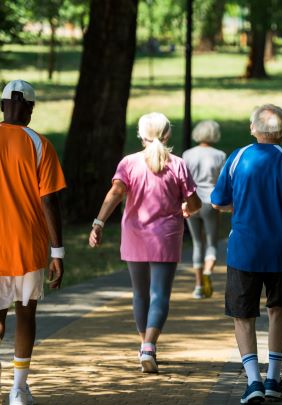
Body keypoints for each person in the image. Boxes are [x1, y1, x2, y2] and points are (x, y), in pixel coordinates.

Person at [0, 80, 66, 405]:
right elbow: (49, 201)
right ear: (30, 109)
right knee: (26, 313)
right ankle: (19, 389)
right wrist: (57, 251)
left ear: (2, 105)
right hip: (29, 246)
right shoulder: (40, 144)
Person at [211, 104, 282, 403]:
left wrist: (239, 206)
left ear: (253, 129)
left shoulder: (237, 158)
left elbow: (218, 201)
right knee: (278, 309)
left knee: (243, 315)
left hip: (244, 249)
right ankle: (274, 377)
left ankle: (253, 382)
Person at [88, 112, 201, 373]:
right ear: (168, 134)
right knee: (160, 293)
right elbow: (194, 203)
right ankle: (149, 346)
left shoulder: (128, 163)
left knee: (140, 293)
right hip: (167, 236)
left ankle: (145, 346)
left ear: (141, 136)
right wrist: (187, 207)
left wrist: (99, 222)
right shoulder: (177, 164)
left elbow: (116, 192)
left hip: (135, 235)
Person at [182, 120, 227, 299]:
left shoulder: (187, 154)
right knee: (211, 241)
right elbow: (223, 182)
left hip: (192, 201)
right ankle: (209, 270)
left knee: (197, 243)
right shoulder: (220, 155)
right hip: (210, 202)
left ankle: (199, 285)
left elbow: (182, 179)